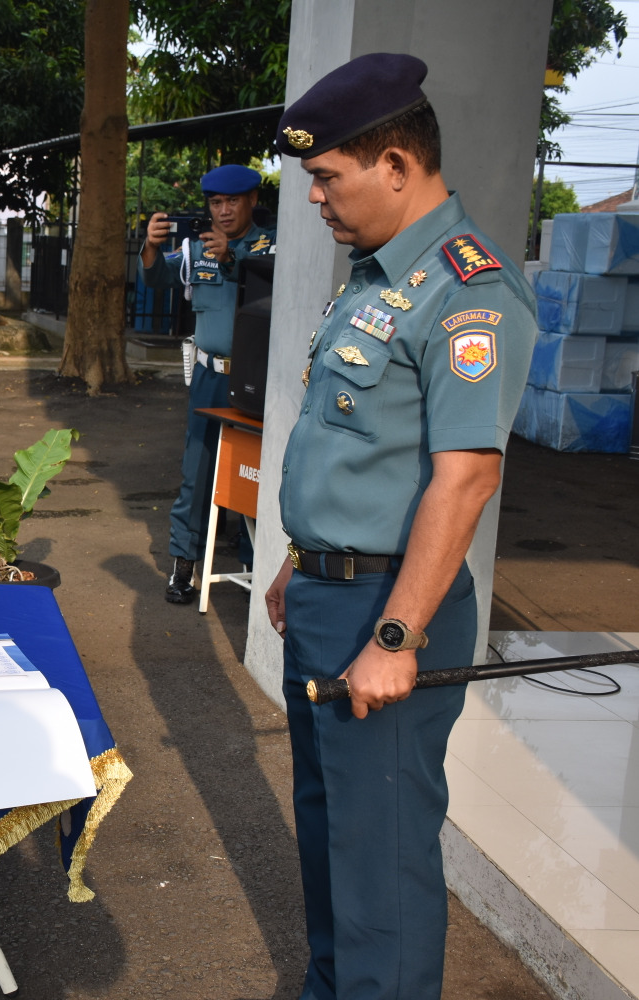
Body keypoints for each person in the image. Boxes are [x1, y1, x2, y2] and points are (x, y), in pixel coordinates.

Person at [262, 53, 536, 1000]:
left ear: (395, 163)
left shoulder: (469, 291)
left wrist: (395, 636)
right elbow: (355, 448)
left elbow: (463, 483)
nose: (317, 200)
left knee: (382, 858)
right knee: (334, 837)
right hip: (335, 594)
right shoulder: (374, 278)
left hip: (391, 609)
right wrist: (303, 559)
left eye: (328, 178)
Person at [139, 164, 275, 602]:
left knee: (256, 470)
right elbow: (159, 277)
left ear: (252, 199)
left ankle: (255, 568)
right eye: (215, 203)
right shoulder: (195, 250)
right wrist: (151, 247)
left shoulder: (270, 247)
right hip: (208, 375)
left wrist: (232, 260)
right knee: (196, 471)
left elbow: (273, 287)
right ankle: (184, 566)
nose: (223, 211)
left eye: (232, 201)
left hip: (257, 379)